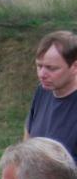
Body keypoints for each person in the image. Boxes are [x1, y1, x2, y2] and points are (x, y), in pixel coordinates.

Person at [26, 31, 77, 159]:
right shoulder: (43, 91)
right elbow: (28, 134)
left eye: (51, 68)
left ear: (75, 67)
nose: (42, 74)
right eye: (39, 66)